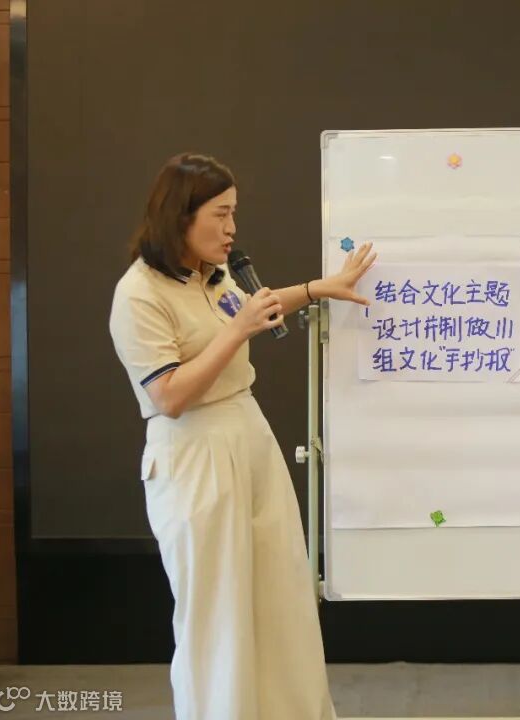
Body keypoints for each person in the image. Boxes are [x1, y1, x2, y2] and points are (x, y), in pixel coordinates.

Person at [108, 152, 375, 720]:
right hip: (194, 452)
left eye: (234, 214)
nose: (232, 229)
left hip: (249, 436)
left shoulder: (214, 274)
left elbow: (257, 308)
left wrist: (319, 288)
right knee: (217, 612)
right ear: (181, 216)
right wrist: (236, 331)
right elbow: (169, 397)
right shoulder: (139, 294)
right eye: (221, 214)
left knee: (280, 594)